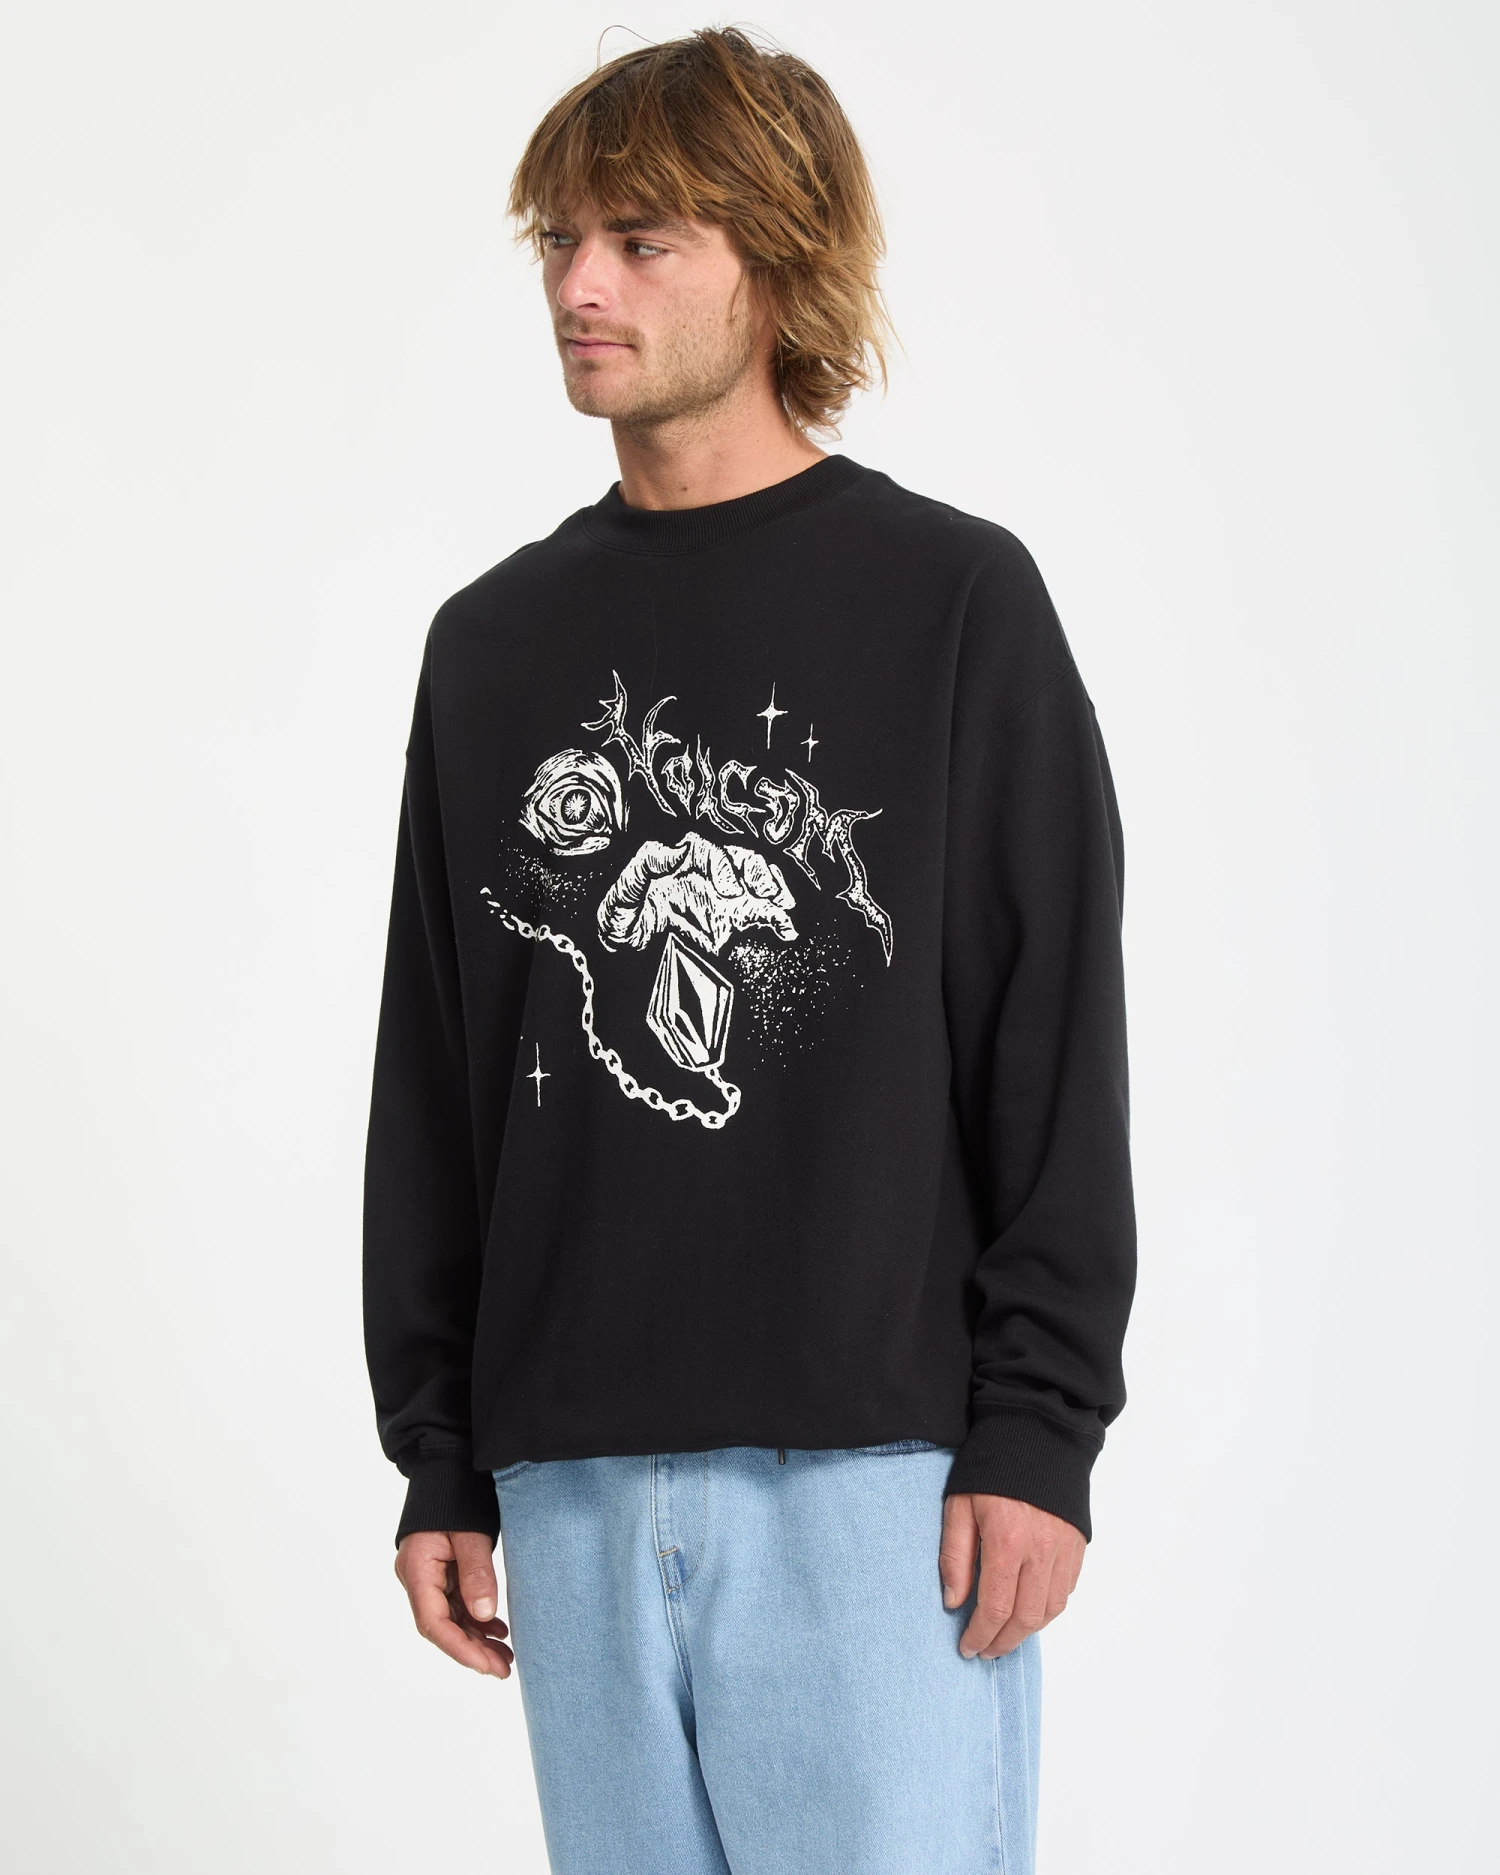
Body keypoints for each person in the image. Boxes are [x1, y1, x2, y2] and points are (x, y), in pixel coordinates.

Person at [362, 27, 1136, 1875]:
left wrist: (1040, 1428)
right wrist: (441, 1448)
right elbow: (439, 1073)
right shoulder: (490, 647)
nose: (580, 285)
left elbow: (1051, 1038)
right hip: (568, 1488)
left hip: (877, 1490)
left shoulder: (953, 603)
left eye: (642, 240)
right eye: (562, 239)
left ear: (779, 263)